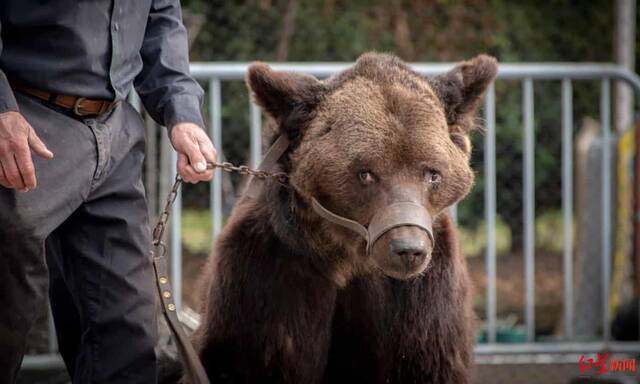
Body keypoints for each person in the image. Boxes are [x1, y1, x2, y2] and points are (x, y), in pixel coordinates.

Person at [0, 1, 216, 382]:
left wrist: (181, 112)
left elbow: (160, 19)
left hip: (115, 137)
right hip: (24, 126)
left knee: (128, 331)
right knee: (8, 313)